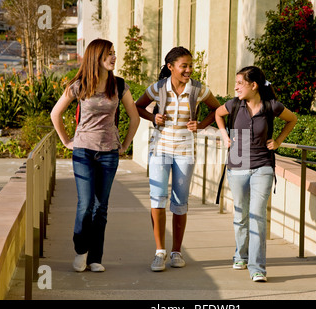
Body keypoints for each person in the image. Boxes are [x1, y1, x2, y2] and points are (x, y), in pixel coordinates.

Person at [51, 39, 140, 272]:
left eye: (114, 53)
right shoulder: (80, 85)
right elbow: (55, 114)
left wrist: (126, 144)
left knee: (101, 206)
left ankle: (95, 258)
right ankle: (81, 251)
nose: (113, 57)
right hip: (83, 151)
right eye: (108, 54)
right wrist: (66, 141)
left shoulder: (119, 85)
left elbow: (135, 117)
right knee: (85, 204)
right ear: (95, 57)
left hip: (109, 152)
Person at [136, 46, 220, 271]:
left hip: (185, 152)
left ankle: (176, 252)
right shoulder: (158, 88)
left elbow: (218, 110)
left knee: (180, 202)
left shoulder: (199, 90)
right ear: (170, 67)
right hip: (160, 150)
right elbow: (138, 107)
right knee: (157, 199)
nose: (189, 70)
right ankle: (159, 252)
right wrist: (154, 117)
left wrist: (201, 125)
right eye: (184, 66)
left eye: (190, 66)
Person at [215, 66, 297, 282]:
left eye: (240, 83)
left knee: (257, 215)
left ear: (254, 85)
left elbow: (292, 119)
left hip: (263, 165)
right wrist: (225, 136)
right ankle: (240, 255)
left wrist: (278, 141)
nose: (235, 87)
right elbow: (217, 113)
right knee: (241, 215)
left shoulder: (271, 106)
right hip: (237, 165)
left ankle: (257, 267)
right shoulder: (234, 105)